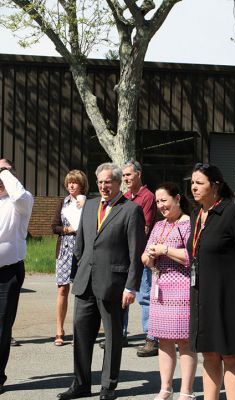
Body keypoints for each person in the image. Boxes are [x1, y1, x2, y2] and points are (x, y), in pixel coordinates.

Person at [57, 162, 145, 400]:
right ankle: (81, 384)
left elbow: (135, 252)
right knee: (81, 336)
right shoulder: (91, 205)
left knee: (113, 337)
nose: (104, 186)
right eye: (100, 182)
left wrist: (131, 286)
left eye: (109, 182)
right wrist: (83, 267)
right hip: (85, 281)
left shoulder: (130, 210)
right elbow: (81, 245)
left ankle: (108, 386)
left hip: (112, 284)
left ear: (118, 183)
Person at [187, 163, 235, 400]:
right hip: (202, 296)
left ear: (215, 186)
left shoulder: (233, 214)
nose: (194, 188)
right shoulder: (196, 215)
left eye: (200, 183)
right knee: (209, 354)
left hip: (228, 296)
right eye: (192, 183)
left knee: (230, 355)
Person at [142, 182, 198, 400]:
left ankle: (187, 391)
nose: (160, 205)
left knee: (184, 342)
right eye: (157, 202)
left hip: (183, 291)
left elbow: (191, 256)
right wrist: (150, 257)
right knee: (164, 341)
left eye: (164, 200)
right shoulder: (158, 226)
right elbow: (144, 257)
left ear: (177, 198)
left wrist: (165, 249)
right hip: (161, 290)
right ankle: (165, 389)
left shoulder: (189, 224)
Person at [0, 159, 34, 395]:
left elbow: (19, 195)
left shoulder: (21, 202)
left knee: (2, 327)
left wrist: (4, 171)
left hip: (7, 273)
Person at [122, 159, 158, 357]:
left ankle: (151, 338)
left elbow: (142, 229)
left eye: (129, 174)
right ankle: (120, 334)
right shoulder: (126, 197)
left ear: (139, 174)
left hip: (141, 254)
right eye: (124, 175)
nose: (126, 178)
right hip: (125, 254)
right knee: (123, 296)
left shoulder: (148, 197)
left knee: (144, 296)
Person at [51, 170, 89, 346]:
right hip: (65, 250)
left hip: (83, 250)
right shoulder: (62, 202)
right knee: (62, 290)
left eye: (75, 182)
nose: (71, 185)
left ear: (82, 185)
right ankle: (59, 330)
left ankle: (80, 332)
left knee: (82, 292)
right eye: (69, 182)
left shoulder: (88, 203)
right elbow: (54, 227)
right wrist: (67, 230)